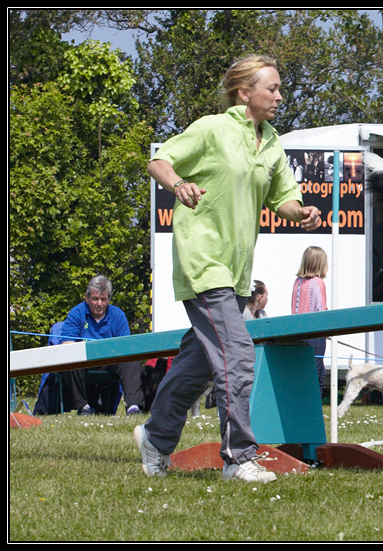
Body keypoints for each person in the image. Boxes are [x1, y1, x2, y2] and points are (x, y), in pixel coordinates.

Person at [136, 54, 322, 484]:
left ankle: (155, 438)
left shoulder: (273, 141)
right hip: (203, 260)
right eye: (271, 88)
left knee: (197, 364)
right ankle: (238, 457)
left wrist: (302, 214)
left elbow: (283, 200)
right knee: (237, 356)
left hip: (238, 271)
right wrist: (177, 183)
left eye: (278, 88)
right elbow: (160, 161)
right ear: (244, 93)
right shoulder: (212, 128)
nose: (279, 95)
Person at [59, 276, 144, 415]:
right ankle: (83, 406)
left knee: (131, 358)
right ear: (86, 298)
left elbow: (125, 347)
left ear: (109, 299)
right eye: (95, 299)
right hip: (84, 361)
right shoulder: (77, 312)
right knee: (70, 357)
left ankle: (133, 406)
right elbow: (66, 343)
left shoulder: (118, 315)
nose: (99, 303)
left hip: (110, 362)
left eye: (103, 299)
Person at [291, 246, 329, 385]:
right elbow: (320, 310)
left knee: (303, 372)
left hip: (298, 331)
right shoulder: (318, 282)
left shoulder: (298, 282)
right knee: (316, 374)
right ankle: (314, 406)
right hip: (314, 332)